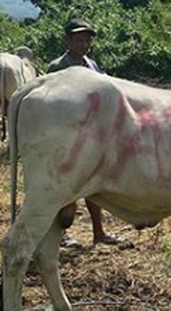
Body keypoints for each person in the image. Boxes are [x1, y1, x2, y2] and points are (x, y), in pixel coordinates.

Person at [48, 18, 127, 248]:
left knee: (93, 187)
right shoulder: (58, 67)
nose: (84, 44)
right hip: (66, 137)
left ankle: (99, 233)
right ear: (68, 40)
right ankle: (59, 235)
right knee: (64, 188)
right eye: (79, 39)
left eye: (87, 39)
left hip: (91, 137)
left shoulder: (92, 66)